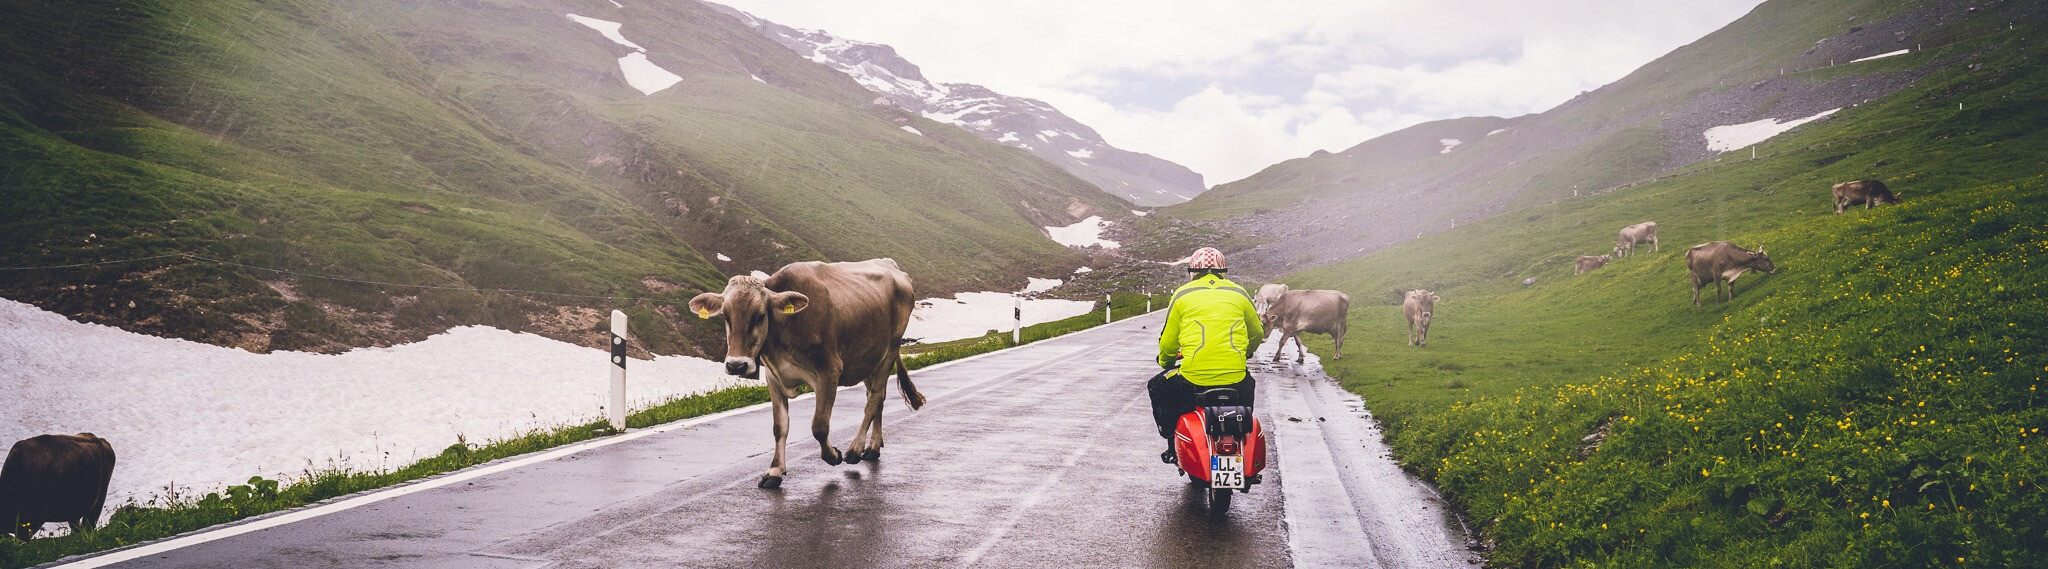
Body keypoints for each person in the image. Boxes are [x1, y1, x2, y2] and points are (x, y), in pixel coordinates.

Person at [1149, 246, 1263, 463]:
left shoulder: (1182, 294)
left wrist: (1166, 362)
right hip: (1236, 378)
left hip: (1193, 378)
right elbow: (1257, 332)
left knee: (1157, 386)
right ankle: (1242, 438)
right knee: (1248, 385)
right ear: (1223, 271)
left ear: (1192, 271)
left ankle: (1171, 441)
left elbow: (1168, 341)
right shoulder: (1239, 293)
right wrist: (1246, 352)